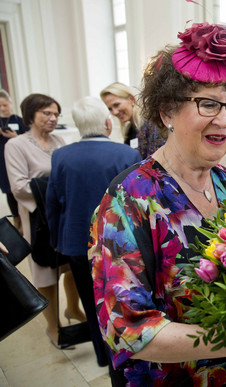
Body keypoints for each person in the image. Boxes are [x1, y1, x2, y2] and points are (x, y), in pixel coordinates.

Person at [89, 22, 226, 386]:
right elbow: (128, 329)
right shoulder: (130, 199)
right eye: (207, 104)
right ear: (167, 112)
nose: (224, 120)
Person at [45, 96, 141, 367]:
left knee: (90, 300)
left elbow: (53, 202)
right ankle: (124, 354)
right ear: (107, 123)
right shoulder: (128, 155)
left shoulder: (61, 156)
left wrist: (56, 240)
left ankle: (102, 356)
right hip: (118, 244)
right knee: (122, 299)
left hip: (74, 242)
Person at [4, 93, 86, 350]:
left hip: (62, 216)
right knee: (45, 274)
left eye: (55, 114)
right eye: (46, 114)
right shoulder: (16, 146)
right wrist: (55, 188)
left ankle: (73, 308)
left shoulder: (60, 140)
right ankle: (54, 328)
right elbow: (18, 187)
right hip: (39, 219)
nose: (52, 118)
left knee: (71, 266)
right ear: (30, 115)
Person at [100, 82, 165, 158]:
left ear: (131, 99)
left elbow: (155, 161)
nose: (114, 112)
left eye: (116, 105)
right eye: (110, 109)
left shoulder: (152, 124)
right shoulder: (130, 130)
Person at [0, 89, 28, 233]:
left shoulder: (18, 120)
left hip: (18, 160)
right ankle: (16, 219)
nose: (3, 108)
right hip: (3, 162)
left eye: (5, 105)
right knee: (9, 191)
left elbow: (29, 138)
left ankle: (24, 219)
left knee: (19, 188)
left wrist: (15, 136)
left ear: (10, 103)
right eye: (0, 106)